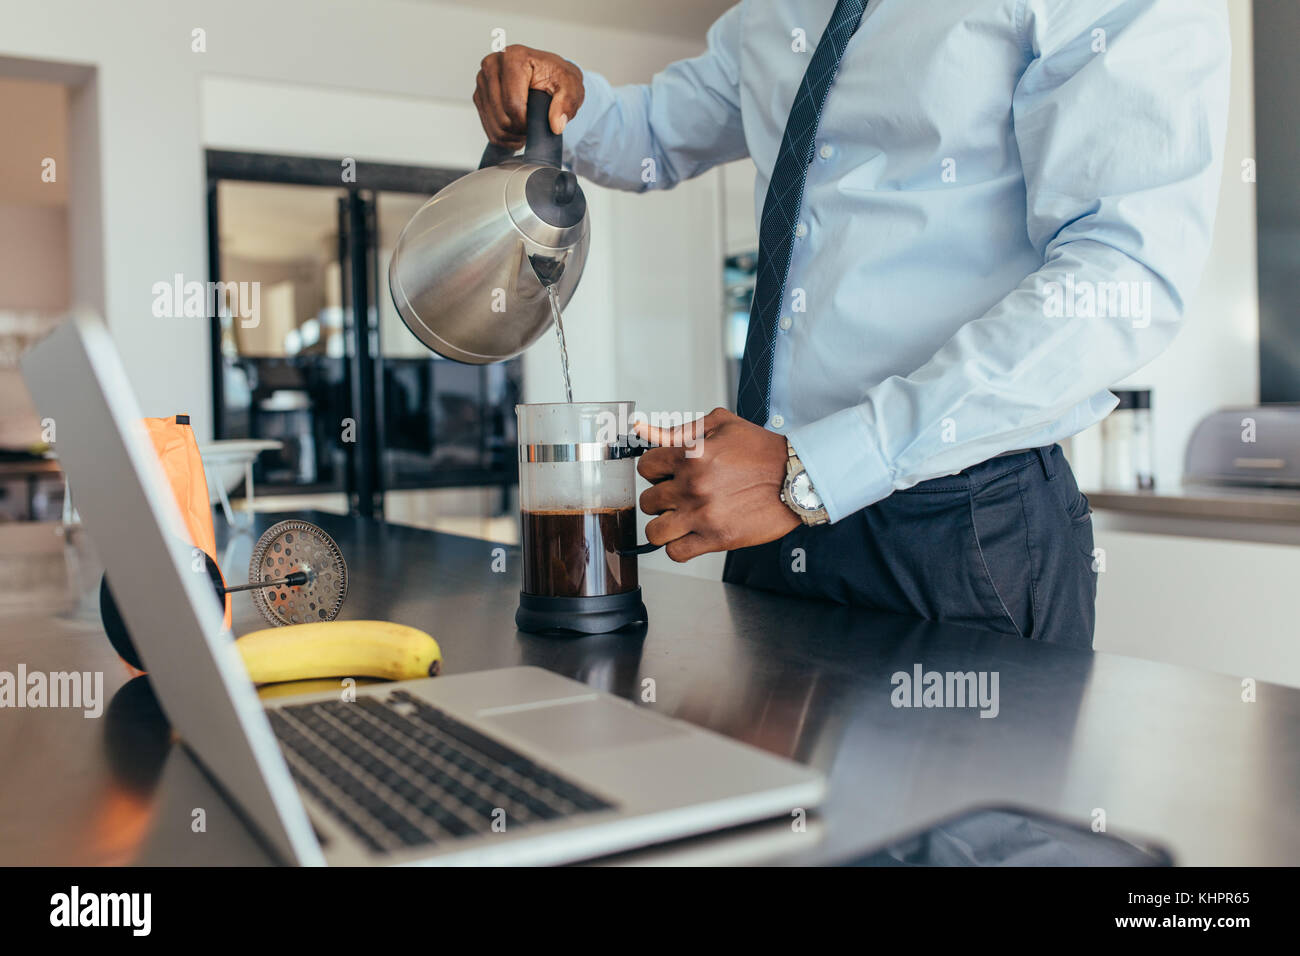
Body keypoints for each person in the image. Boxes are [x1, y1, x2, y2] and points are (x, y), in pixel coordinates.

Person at [472, 0, 1230, 648]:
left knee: (959, 821)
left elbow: (1120, 278)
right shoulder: (779, 12)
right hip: (770, 514)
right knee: (775, 813)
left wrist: (815, 470)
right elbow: (657, 135)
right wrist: (567, 98)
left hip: (956, 525)